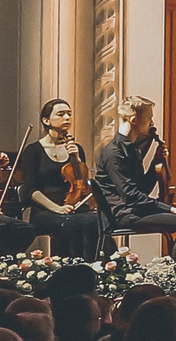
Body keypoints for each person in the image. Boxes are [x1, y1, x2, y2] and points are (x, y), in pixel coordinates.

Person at [95, 96, 176, 249]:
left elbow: (141, 189)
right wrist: (173, 209)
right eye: (149, 118)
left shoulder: (132, 149)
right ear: (134, 120)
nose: (152, 123)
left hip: (134, 210)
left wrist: (155, 164)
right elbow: (131, 196)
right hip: (122, 214)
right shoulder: (114, 153)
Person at [12, 96, 108, 259]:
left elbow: (81, 182)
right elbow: (31, 190)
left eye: (69, 114)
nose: (67, 118)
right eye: (61, 114)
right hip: (45, 210)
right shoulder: (33, 151)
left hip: (74, 206)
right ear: (46, 120)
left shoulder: (76, 148)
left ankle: (100, 268)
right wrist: (57, 208)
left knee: (97, 221)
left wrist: (76, 159)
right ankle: (67, 268)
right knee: (69, 224)